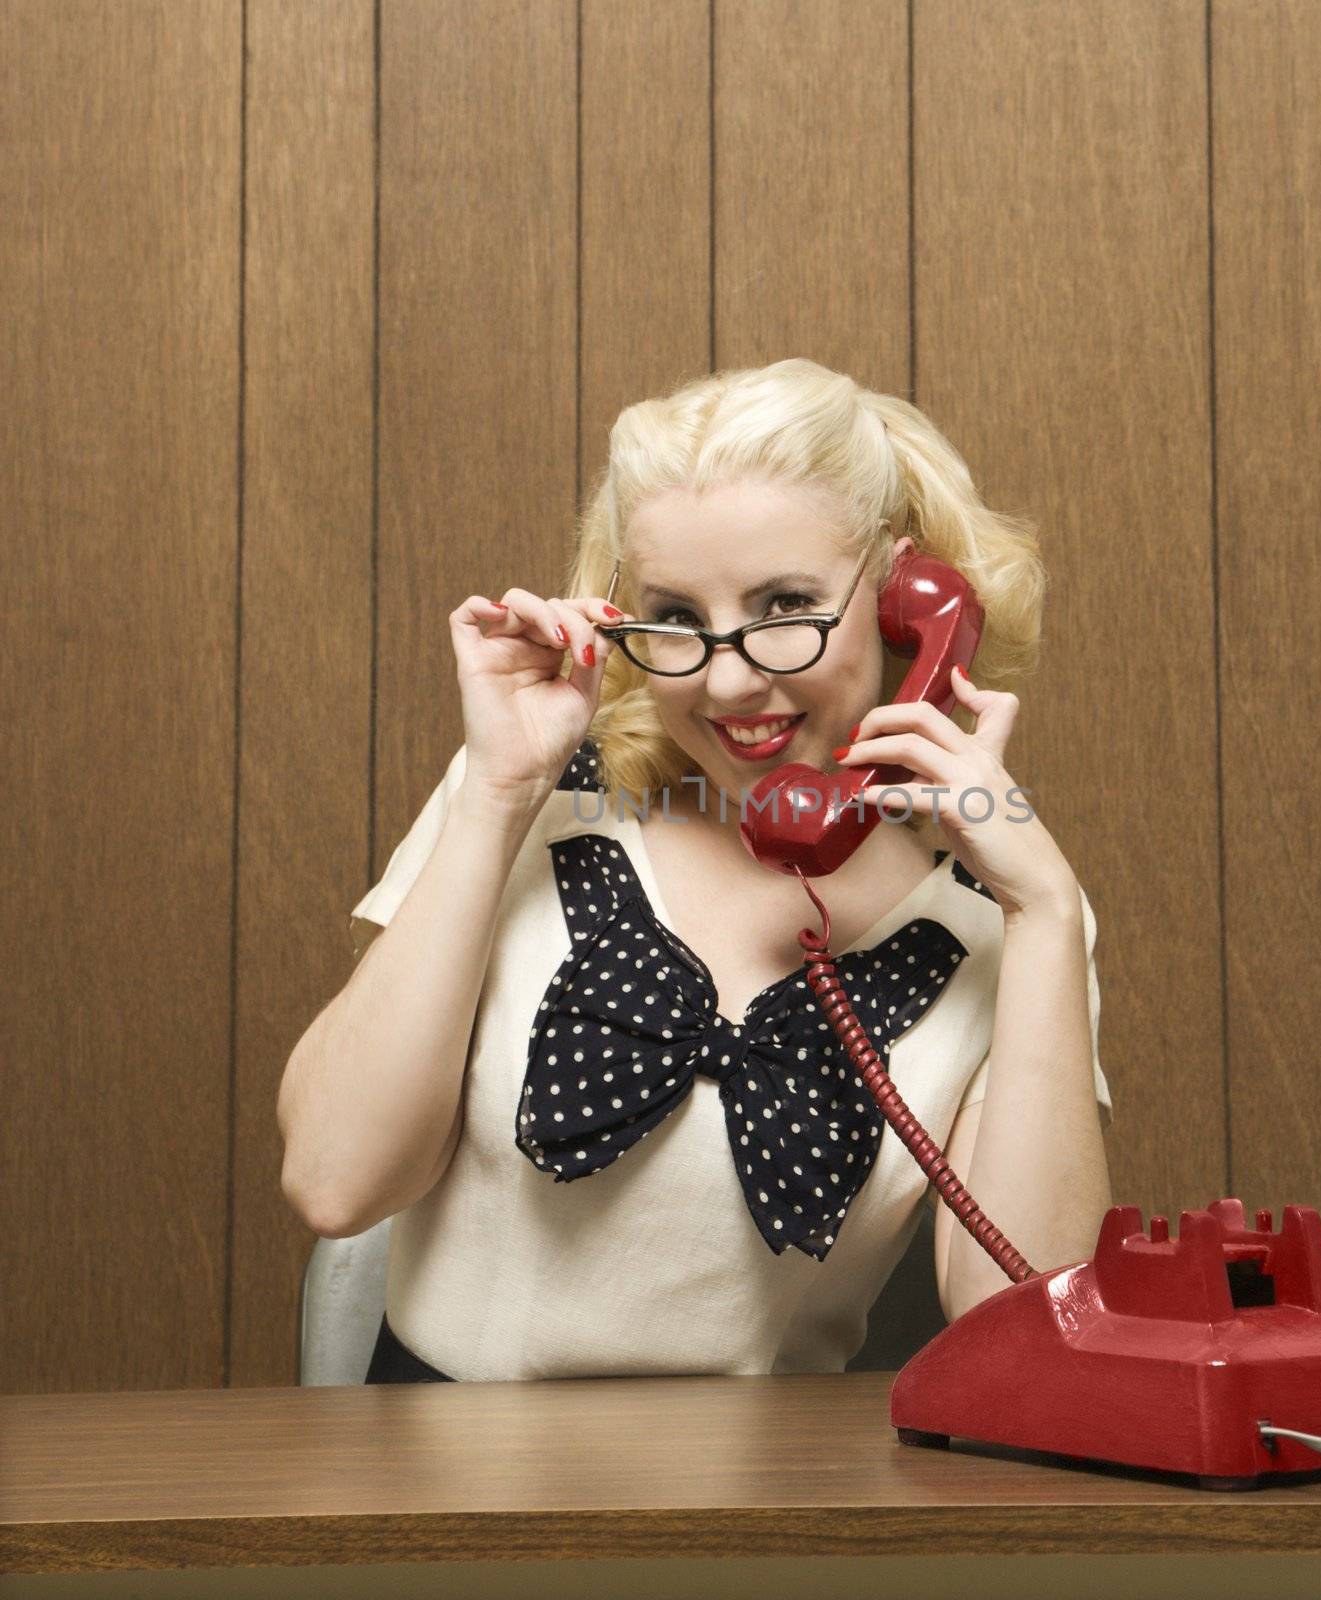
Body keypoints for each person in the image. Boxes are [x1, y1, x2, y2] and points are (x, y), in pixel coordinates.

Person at [276, 357, 1113, 1384]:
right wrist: (497, 794)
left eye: (785, 604)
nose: (727, 680)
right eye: (674, 615)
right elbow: (332, 1182)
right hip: (446, 1487)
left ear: (905, 597)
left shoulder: (1002, 921)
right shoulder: (536, 800)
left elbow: (1024, 1325)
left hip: (762, 1508)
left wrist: (1043, 915)